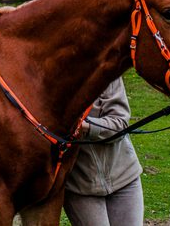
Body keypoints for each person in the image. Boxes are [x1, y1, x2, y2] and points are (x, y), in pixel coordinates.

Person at [63, 77, 144, 226]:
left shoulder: (108, 72)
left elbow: (119, 124)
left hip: (124, 176)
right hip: (80, 186)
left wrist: (84, 127)